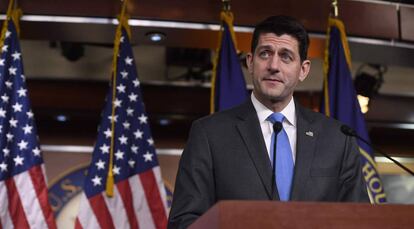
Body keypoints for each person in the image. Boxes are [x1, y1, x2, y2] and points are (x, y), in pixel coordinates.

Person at [168, 15, 369, 229]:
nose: (274, 65)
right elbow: (184, 221)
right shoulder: (209, 134)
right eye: (265, 54)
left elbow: (359, 220)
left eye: (286, 57)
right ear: (250, 62)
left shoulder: (338, 138)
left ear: (303, 70)